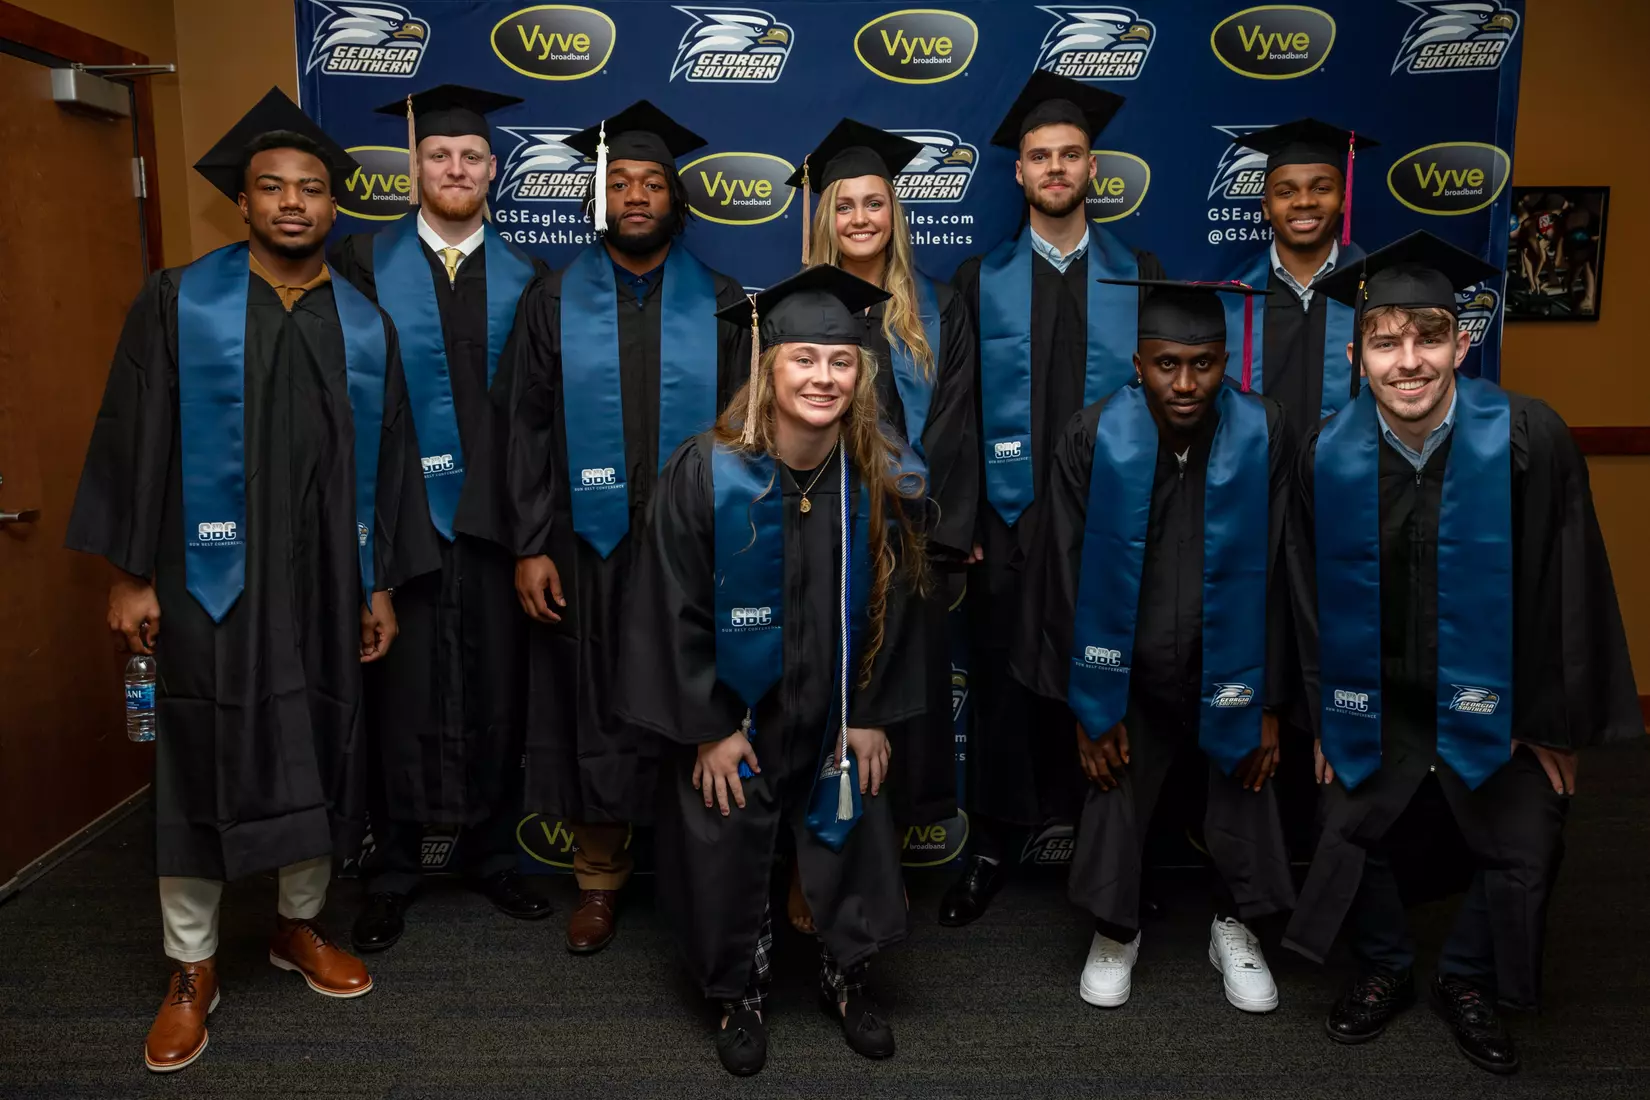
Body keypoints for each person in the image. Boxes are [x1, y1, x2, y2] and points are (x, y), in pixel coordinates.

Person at [64, 88, 439, 1073]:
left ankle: (296, 924)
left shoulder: (365, 326)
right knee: (192, 746)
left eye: (311, 189)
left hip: (321, 586)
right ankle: (191, 963)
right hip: (202, 583)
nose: (291, 203)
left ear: (334, 205)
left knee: (321, 740)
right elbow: (132, 442)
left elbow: (391, 464)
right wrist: (129, 575)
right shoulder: (178, 301)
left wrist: (380, 586)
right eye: (271, 186)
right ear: (243, 201)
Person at [1284, 232, 1642, 1075]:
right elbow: (1303, 600)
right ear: (1356, 354)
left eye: (1429, 337)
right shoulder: (1324, 455)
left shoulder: (1527, 437)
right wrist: (1324, 718)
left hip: (1501, 704)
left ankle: (1468, 977)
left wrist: (1552, 723)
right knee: (1341, 821)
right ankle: (1385, 969)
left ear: (1462, 341)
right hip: (1381, 704)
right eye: (1386, 341)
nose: (1409, 362)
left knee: (1530, 832)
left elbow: (1571, 583)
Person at [615, 265, 929, 1076]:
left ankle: (845, 974)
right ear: (768, 365)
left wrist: (868, 710)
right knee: (727, 831)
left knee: (850, 817)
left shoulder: (876, 480)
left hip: (834, 706)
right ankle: (740, 990)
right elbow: (669, 606)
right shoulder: (705, 473)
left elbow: (897, 609)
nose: (823, 377)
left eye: (841, 361)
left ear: (860, 374)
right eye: (804, 359)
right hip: (736, 713)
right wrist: (708, 726)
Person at [499, 100, 751, 954]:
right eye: (619, 182)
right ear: (598, 199)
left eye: (651, 182)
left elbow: (745, 431)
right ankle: (599, 882)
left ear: (677, 200)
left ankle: (693, 872)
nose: (635, 195)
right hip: (585, 544)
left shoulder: (719, 302)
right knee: (594, 703)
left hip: (694, 548)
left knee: (692, 699)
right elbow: (525, 430)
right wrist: (532, 543)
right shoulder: (553, 299)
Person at [1014, 279, 1297, 1011]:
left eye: (1203, 363)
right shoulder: (1092, 434)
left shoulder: (1265, 430)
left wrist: (1269, 699)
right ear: (1136, 363)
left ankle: (1236, 925)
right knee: (1115, 778)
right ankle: (1117, 928)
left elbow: (1283, 565)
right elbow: (1064, 572)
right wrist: (1090, 705)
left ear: (1225, 359)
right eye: (1166, 363)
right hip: (1127, 666)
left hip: (1227, 656)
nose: (1185, 382)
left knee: (1247, 777)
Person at [327, 84, 551, 949]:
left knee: (499, 688)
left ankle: (494, 854)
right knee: (399, 696)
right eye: (437, 156)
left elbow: (538, 419)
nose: (454, 168)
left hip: (493, 527)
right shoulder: (360, 264)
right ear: (414, 167)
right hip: (398, 523)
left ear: (493, 170)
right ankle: (393, 869)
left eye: (470, 157)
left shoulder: (530, 280)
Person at [945, 69, 1164, 926]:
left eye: (1071, 154)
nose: (1055, 167)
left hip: (1108, 524)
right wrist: (962, 520)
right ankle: (995, 843)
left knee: (1107, 676)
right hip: (1008, 521)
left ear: (1092, 169)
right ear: (1019, 174)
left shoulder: (1136, 273)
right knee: (1002, 686)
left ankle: (1110, 852)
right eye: (1040, 155)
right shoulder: (980, 277)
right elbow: (955, 410)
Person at [790, 118, 980, 923]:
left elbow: (958, 423)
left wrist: (932, 529)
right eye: (846, 205)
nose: (861, 218)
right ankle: (810, 867)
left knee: (898, 699)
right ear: (825, 216)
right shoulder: (797, 309)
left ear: (895, 213)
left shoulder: (937, 308)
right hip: (826, 535)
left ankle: (882, 860)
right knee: (822, 694)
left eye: (876, 203)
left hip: (911, 538)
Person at [1216, 120, 1378, 442]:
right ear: (1266, 207)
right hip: (1260, 478)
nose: (1304, 202)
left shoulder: (1379, 290)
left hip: (1351, 472)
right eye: (1286, 192)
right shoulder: (1232, 298)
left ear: (1344, 200)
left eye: (1321, 188)